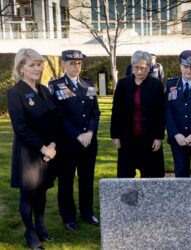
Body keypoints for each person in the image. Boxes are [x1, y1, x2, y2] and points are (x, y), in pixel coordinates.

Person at [7, 48, 57, 249]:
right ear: (21, 68)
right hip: (29, 152)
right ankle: (30, 234)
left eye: (39, 64)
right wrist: (43, 148)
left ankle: (41, 228)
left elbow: (55, 121)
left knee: (42, 191)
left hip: (48, 151)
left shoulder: (44, 90)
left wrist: (52, 145)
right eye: (32, 65)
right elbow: (20, 128)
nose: (37, 69)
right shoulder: (15, 92)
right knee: (28, 194)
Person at [48, 50, 100, 231]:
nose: (76, 66)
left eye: (79, 63)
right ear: (63, 64)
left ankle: (87, 213)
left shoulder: (88, 84)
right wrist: (77, 135)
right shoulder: (55, 86)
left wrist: (91, 131)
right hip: (68, 144)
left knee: (87, 179)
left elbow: (95, 111)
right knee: (66, 182)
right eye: (72, 63)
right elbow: (59, 116)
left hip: (88, 144)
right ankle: (68, 217)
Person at [111, 50, 165, 178]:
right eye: (136, 68)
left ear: (149, 67)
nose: (139, 71)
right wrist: (115, 136)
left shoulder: (156, 84)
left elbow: (160, 113)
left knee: (152, 178)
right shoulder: (123, 84)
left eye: (143, 68)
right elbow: (116, 111)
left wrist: (158, 137)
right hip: (127, 139)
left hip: (149, 139)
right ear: (131, 66)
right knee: (125, 178)